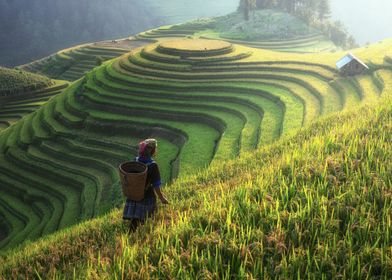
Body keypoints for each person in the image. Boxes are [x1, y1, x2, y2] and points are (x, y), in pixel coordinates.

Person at [122, 139, 169, 233]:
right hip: (147, 196)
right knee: (145, 220)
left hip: (134, 195)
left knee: (135, 221)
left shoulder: (135, 161)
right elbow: (156, 185)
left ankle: (131, 236)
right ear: (153, 151)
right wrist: (162, 198)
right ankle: (137, 238)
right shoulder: (152, 166)